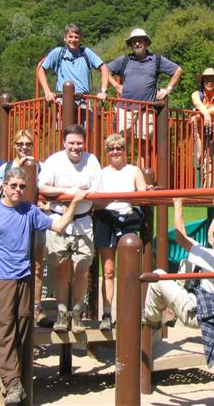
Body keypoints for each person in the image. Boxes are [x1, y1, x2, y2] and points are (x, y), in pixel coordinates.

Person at [0, 167, 88, 404]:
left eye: (22, 186)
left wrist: (75, 203)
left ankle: (5, 376)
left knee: (22, 330)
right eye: (13, 185)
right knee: (2, 330)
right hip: (0, 279)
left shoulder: (29, 211)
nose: (17, 190)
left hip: (23, 279)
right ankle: (13, 384)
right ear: (4, 186)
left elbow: (58, 226)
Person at [143, 197, 214, 367]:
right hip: (211, 309)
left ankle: (151, 319)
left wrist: (177, 204)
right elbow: (211, 236)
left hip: (196, 312)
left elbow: (181, 238)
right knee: (187, 263)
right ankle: (169, 309)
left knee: (158, 277)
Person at [37, 124, 102, 333]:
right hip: (59, 220)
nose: (75, 147)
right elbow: (42, 186)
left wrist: (79, 197)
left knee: (82, 269)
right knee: (61, 269)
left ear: (84, 143)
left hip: (83, 221)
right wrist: (69, 192)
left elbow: (97, 191)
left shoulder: (92, 161)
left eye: (79, 143)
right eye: (71, 143)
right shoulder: (54, 161)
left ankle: (77, 313)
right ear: (64, 143)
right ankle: (62, 313)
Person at [93, 133, 150, 331]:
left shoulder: (133, 170)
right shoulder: (101, 173)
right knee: (108, 270)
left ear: (125, 151)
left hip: (128, 218)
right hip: (106, 218)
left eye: (119, 148)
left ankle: (131, 311)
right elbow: (95, 202)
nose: (115, 151)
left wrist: (127, 198)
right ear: (107, 152)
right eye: (111, 148)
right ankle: (107, 313)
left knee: (130, 269)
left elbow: (142, 195)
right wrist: (112, 200)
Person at [104, 28, 183, 164]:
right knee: (121, 143)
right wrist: (116, 86)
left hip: (146, 110)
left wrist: (168, 89)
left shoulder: (156, 59)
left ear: (146, 43)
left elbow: (178, 70)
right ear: (131, 44)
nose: (137, 44)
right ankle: (121, 172)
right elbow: (105, 69)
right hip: (125, 108)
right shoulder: (125, 60)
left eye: (140, 41)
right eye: (134, 41)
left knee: (143, 145)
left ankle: (141, 174)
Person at [0, 129, 50, 327]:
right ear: (14, 146)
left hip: (33, 218)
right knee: (12, 263)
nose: (24, 147)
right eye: (20, 144)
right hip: (11, 222)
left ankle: (36, 307)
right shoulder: (5, 168)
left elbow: (45, 188)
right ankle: (13, 305)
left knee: (36, 266)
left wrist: (46, 204)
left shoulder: (39, 166)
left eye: (28, 144)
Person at [37, 23, 109, 101]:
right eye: (70, 36)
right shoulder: (58, 53)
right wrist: (47, 91)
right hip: (62, 100)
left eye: (76, 37)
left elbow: (104, 68)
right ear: (65, 38)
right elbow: (41, 70)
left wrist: (103, 91)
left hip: (83, 100)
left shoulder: (86, 53)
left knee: (88, 109)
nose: (73, 40)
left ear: (80, 39)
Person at [191, 67, 214, 187]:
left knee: (212, 157)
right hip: (199, 129)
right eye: (207, 79)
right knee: (199, 157)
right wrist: (206, 114)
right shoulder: (196, 94)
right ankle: (198, 186)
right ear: (202, 81)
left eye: (212, 79)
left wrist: (202, 114)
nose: (209, 82)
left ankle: (208, 187)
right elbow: (198, 104)